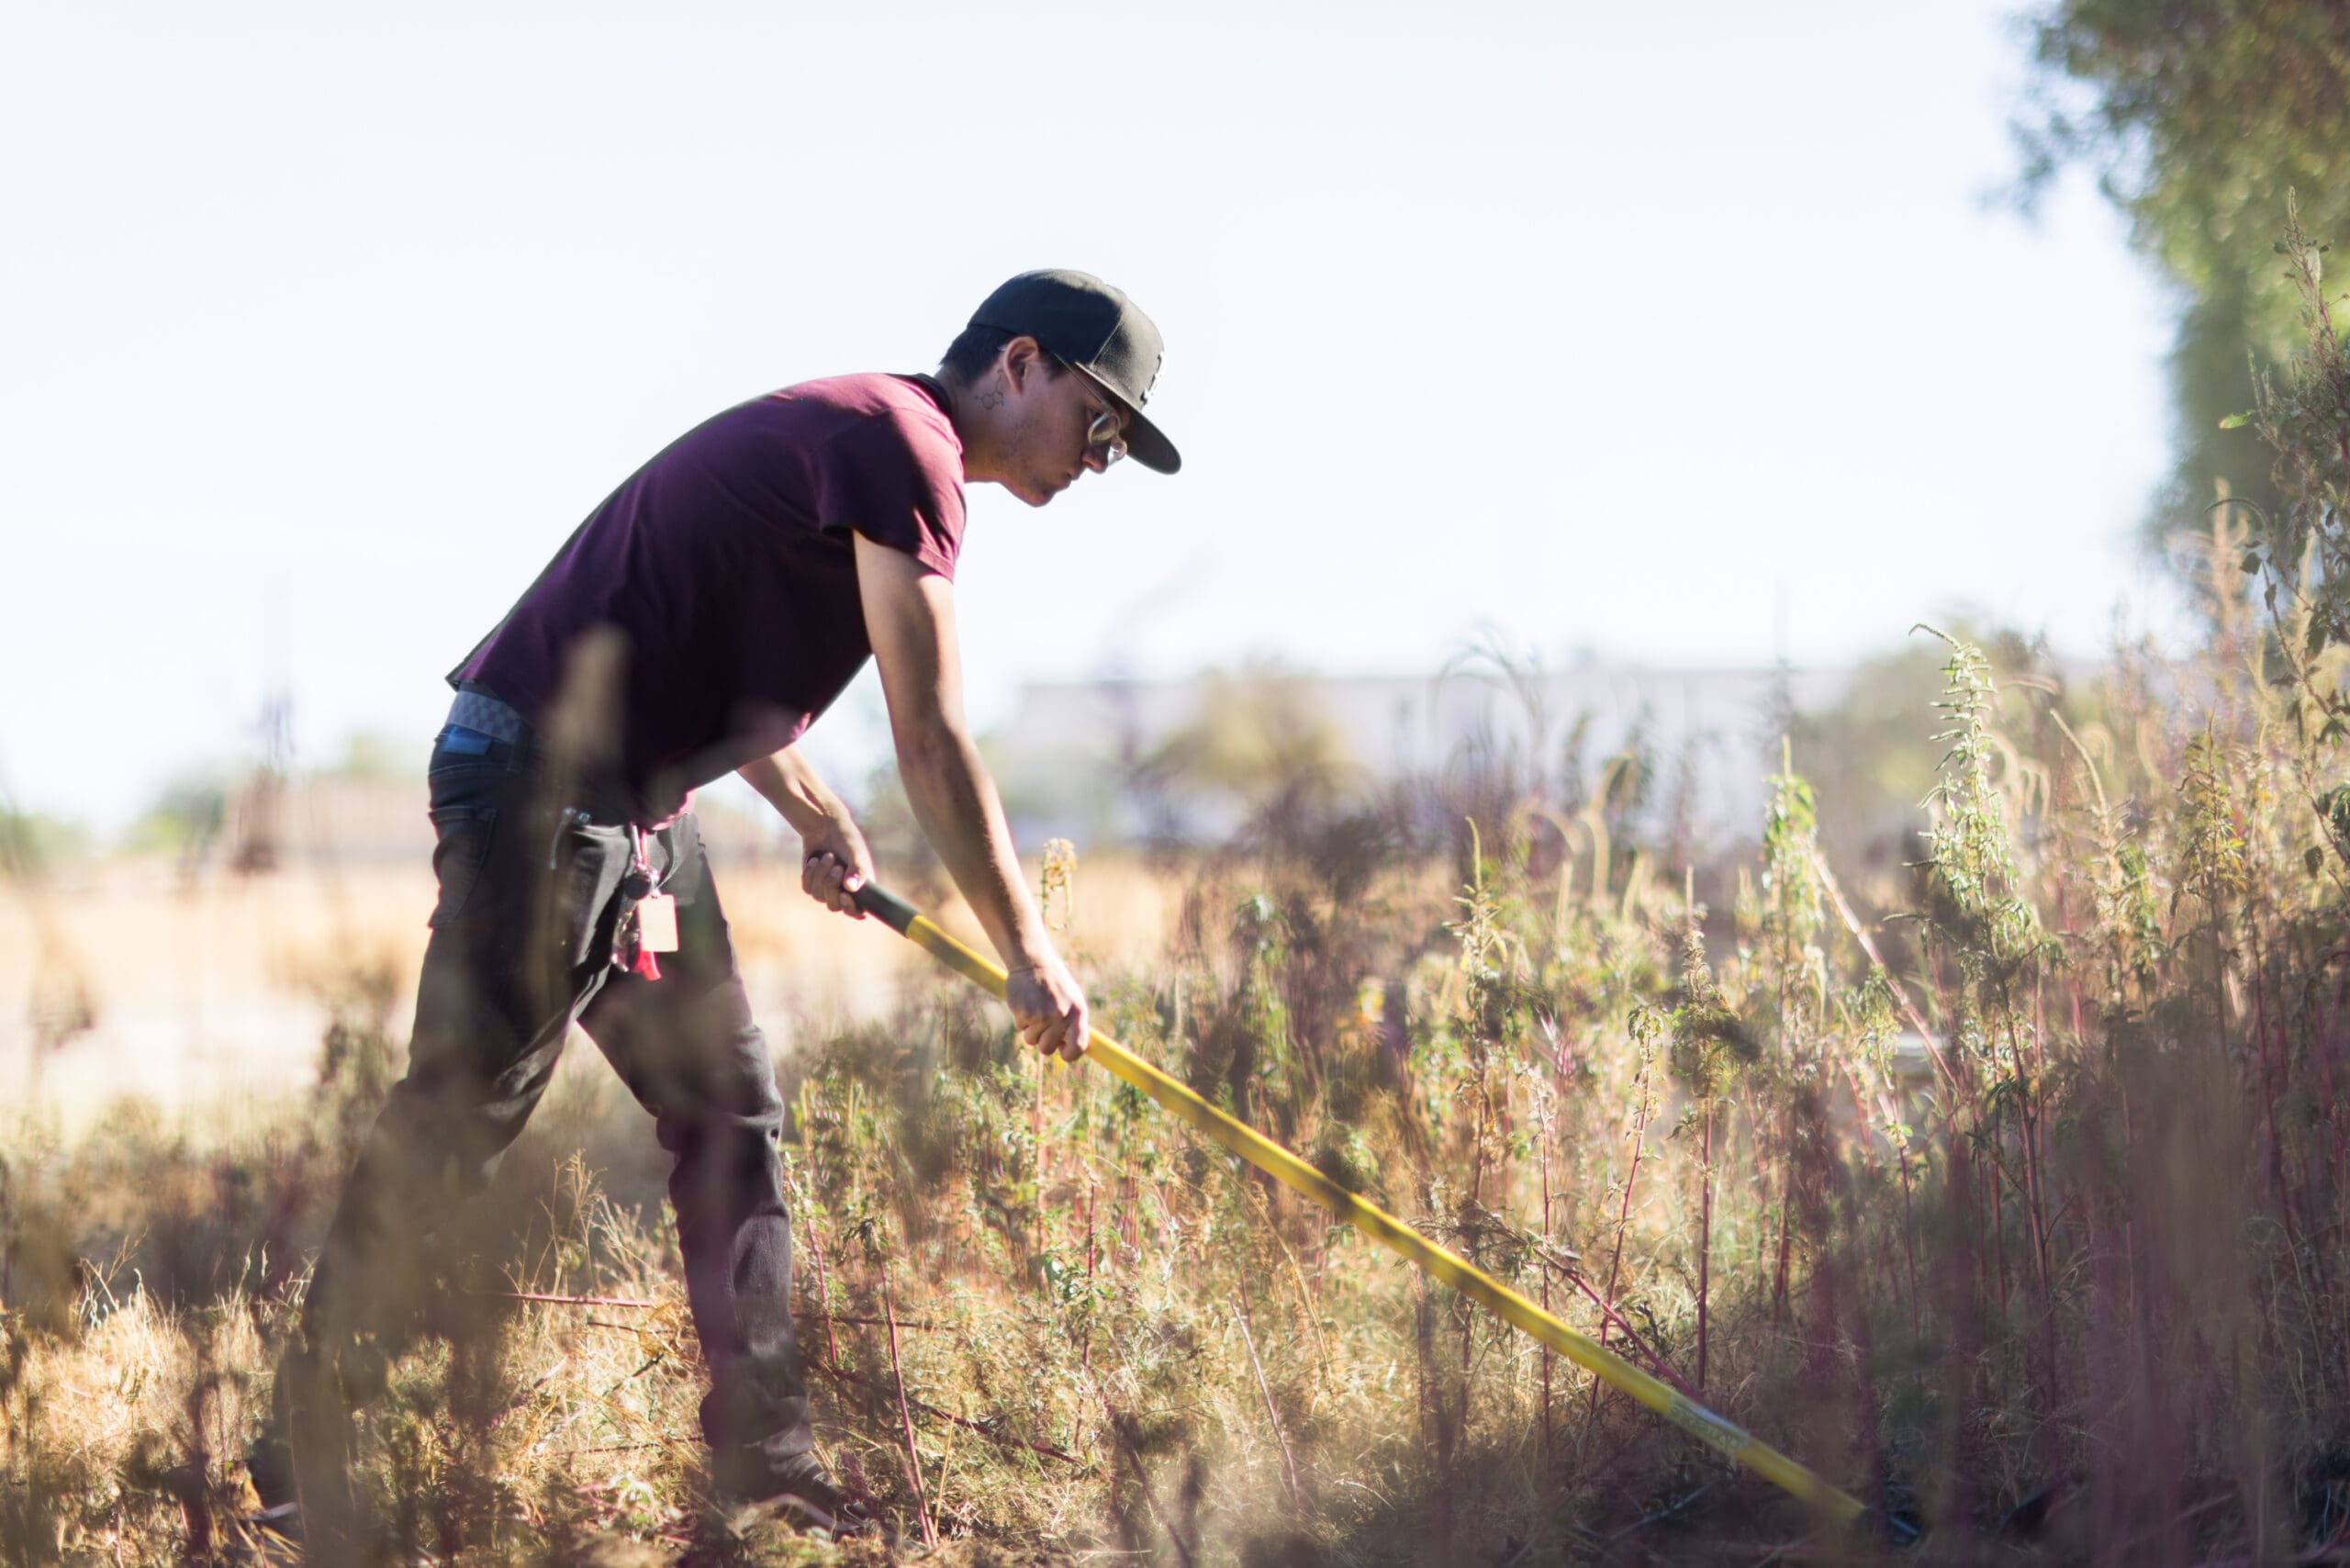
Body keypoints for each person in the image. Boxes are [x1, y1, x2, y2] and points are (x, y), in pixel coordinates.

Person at [254, 270, 1180, 1548]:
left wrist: (811, 813)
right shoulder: (904, 446)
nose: (1103, 457)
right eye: (1104, 421)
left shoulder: (867, 443)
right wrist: (1028, 948)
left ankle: (768, 1468)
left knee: (729, 1109)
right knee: (467, 1109)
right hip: (542, 787)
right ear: (1022, 362)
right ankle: (305, 1451)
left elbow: (704, 647)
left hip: (634, 808)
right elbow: (932, 732)